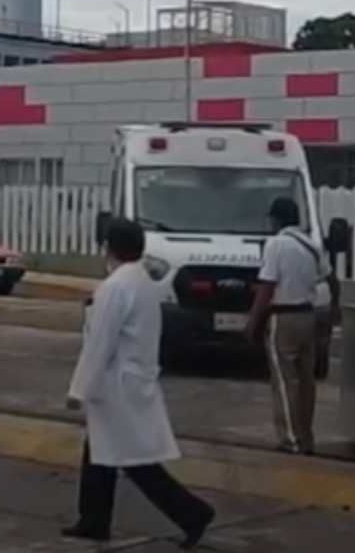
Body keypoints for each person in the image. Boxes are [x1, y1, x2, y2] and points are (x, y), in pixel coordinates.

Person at [64, 218, 214, 547]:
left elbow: (100, 342)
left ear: (109, 248)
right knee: (99, 454)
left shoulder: (115, 286)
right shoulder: (142, 281)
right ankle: (93, 519)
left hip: (116, 385)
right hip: (132, 381)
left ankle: (193, 513)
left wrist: (79, 389)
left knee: (134, 463)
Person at [246, 196, 337, 456]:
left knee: (285, 382)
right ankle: (307, 438)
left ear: (276, 219)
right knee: (307, 381)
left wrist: (253, 322)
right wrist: (334, 311)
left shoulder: (276, 244)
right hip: (308, 317)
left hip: (282, 318)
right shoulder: (312, 245)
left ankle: (290, 439)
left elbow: (267, 288)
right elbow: (332, 280)